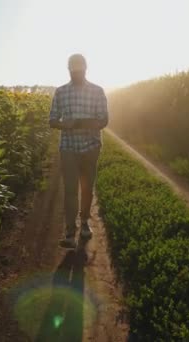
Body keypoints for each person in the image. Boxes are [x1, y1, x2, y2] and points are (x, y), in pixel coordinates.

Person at [48, 54, 109, 249]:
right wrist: (62, 124)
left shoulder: (97, 91)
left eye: (80, 71)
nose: (77, 74)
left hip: (91, 146)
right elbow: (52, 120)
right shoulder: (61, 92)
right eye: (73, 71)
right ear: (68, 70)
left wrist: (80, 123)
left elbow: (104, 120)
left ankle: (84, 223)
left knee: (87, 187)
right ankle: (69, 231)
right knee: (70, 189)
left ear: (86, 69)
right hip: (68, 146)